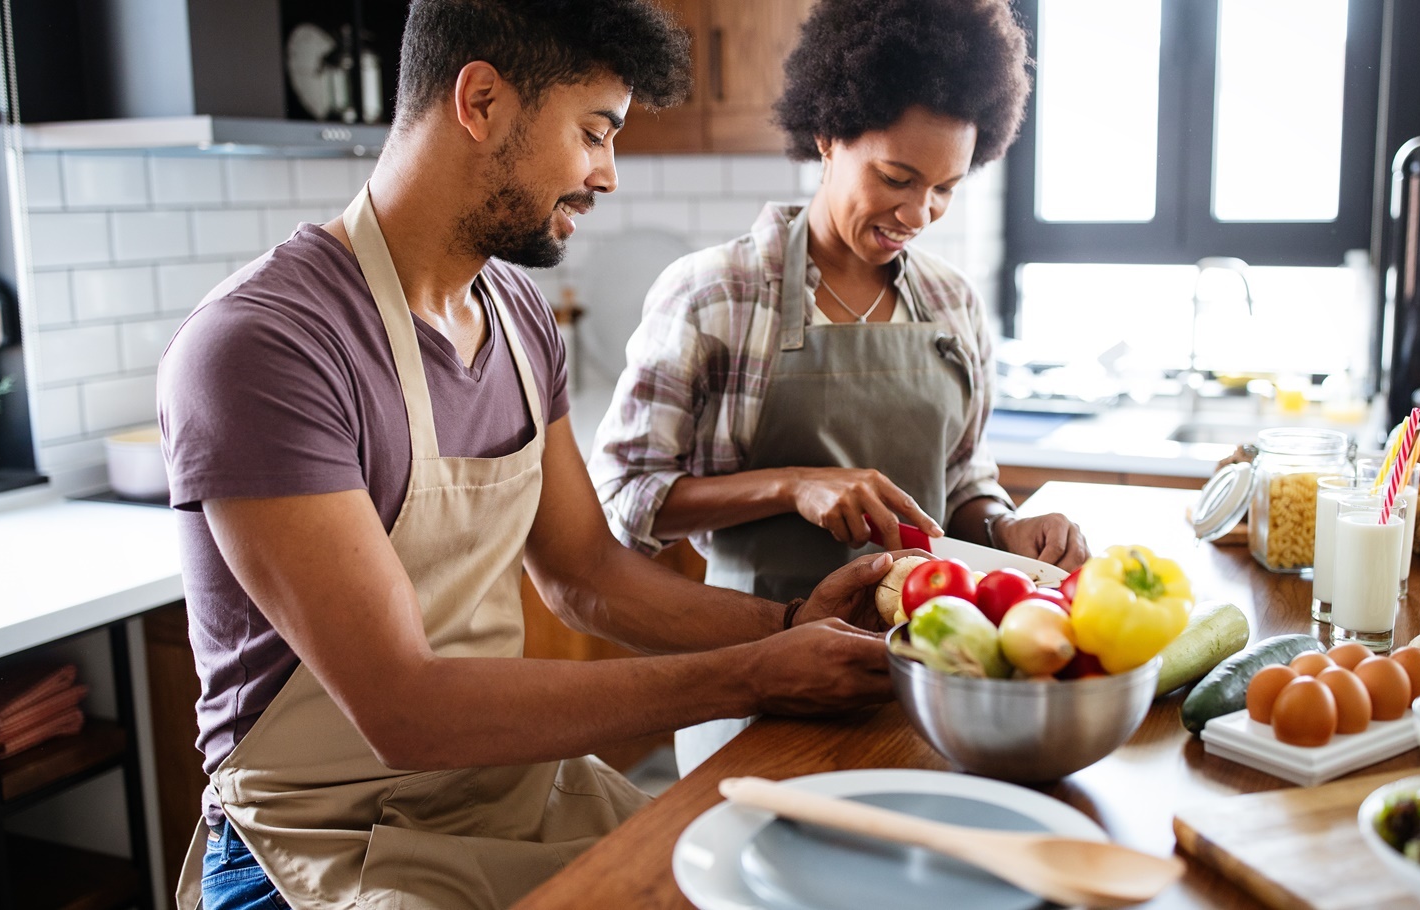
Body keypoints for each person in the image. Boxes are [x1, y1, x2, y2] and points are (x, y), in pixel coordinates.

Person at [158, 2, 897, 908]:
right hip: (317, 841)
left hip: (507, 790)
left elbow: (585, 575)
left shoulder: (516, 316)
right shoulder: (263, 347)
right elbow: (404, 711)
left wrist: (786, 627)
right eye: (593, 132)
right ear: (480, 101)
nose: (607, 174)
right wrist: (748, 675)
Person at [590, 0, 1090, 773]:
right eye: (896, 177)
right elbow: (624, 495)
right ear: (827, 135)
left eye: (945, 188)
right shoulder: (713, 294)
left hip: (931, 678)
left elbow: (962, 476)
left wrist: (1005, 526)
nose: (917, 212)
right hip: (759, 674)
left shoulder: (951, 303)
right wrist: (792, 485)